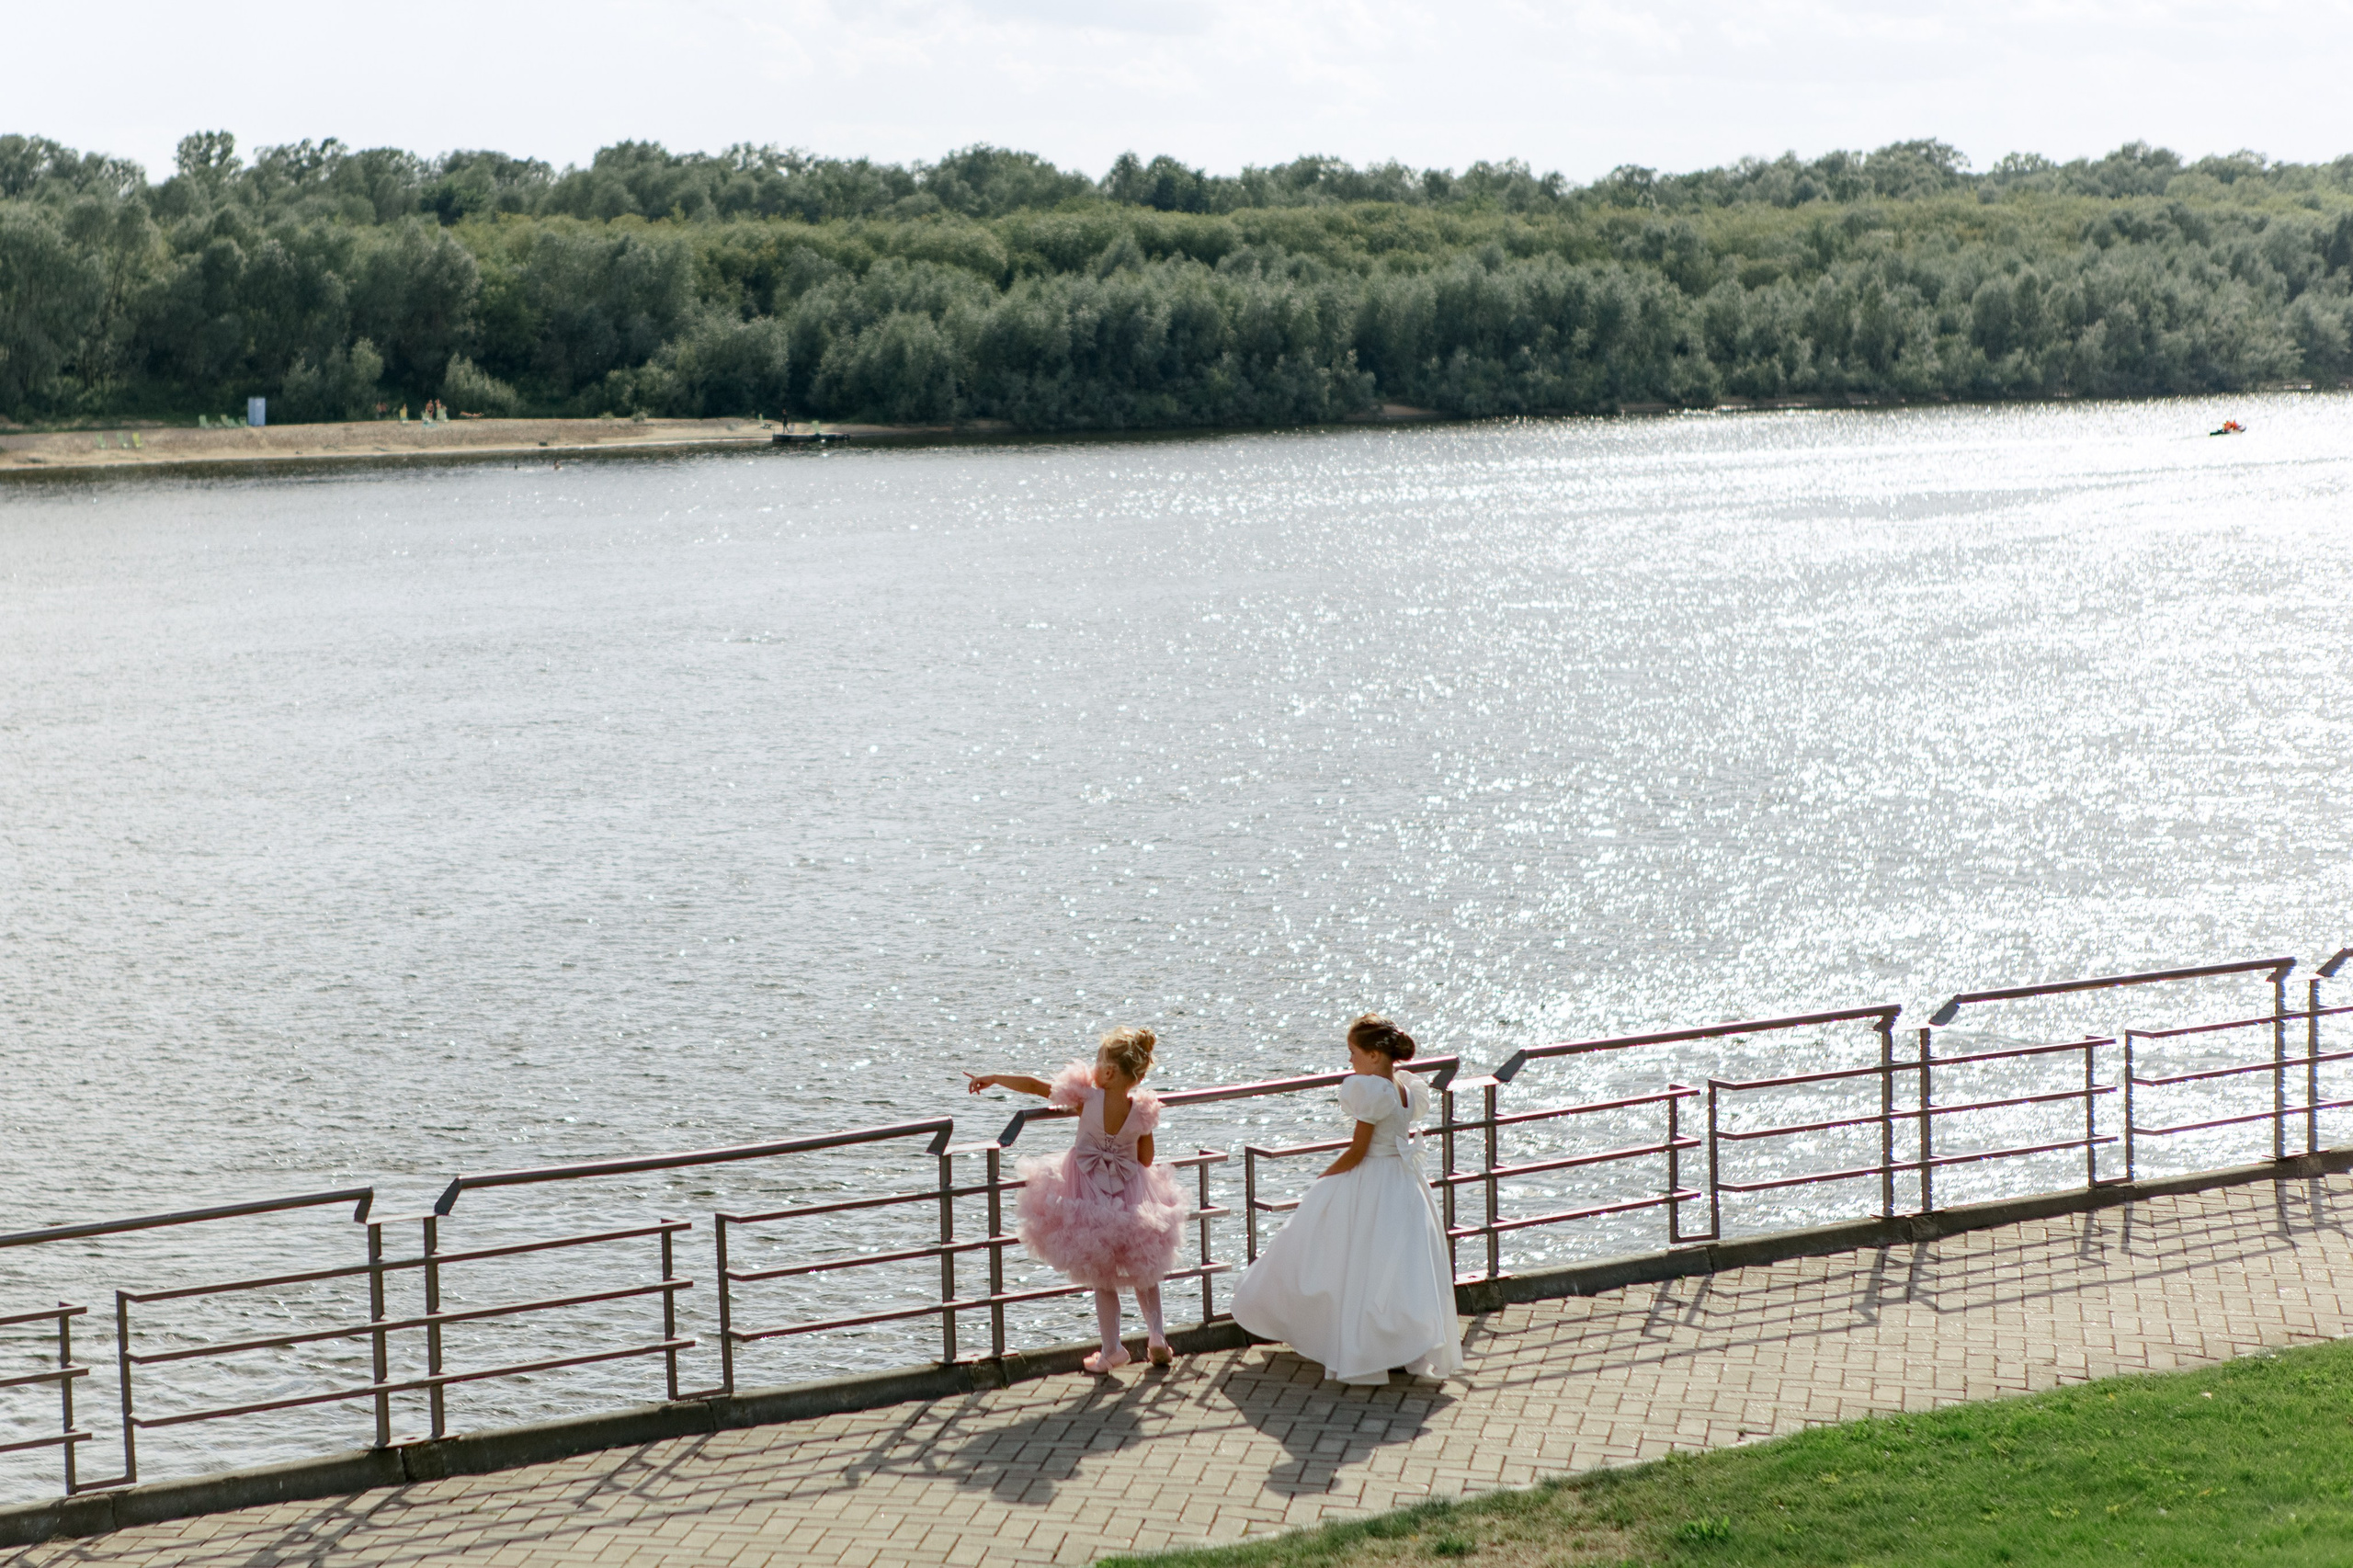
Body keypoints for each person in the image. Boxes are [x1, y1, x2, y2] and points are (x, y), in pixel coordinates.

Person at [1230, 1013, 1465, 1384]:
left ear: (1374, 1055)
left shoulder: (1373, 1089)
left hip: (1372, 1178)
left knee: (1347, 1255)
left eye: (1353, 1052)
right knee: (1396, 1265)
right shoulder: (1404, 1088)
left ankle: (1362, 1345)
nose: (1349, 1060)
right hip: (1403, 1182)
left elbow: (1358, 1150)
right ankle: (1397, 1342)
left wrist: (1324, 1178)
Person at [966, 1027, 1187, 1371]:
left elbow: (1035, 1085)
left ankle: (1112, 1349)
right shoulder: (1140, 1111)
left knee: (1102, 1275)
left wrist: (993, 1077)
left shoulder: (1088, 1100)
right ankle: (1157, 1335)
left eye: (1099, 1061)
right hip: (1131, 1192)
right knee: (1143, 1267)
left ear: (1109, 1072)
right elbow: (1145, 1159)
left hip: (1088, 1193)